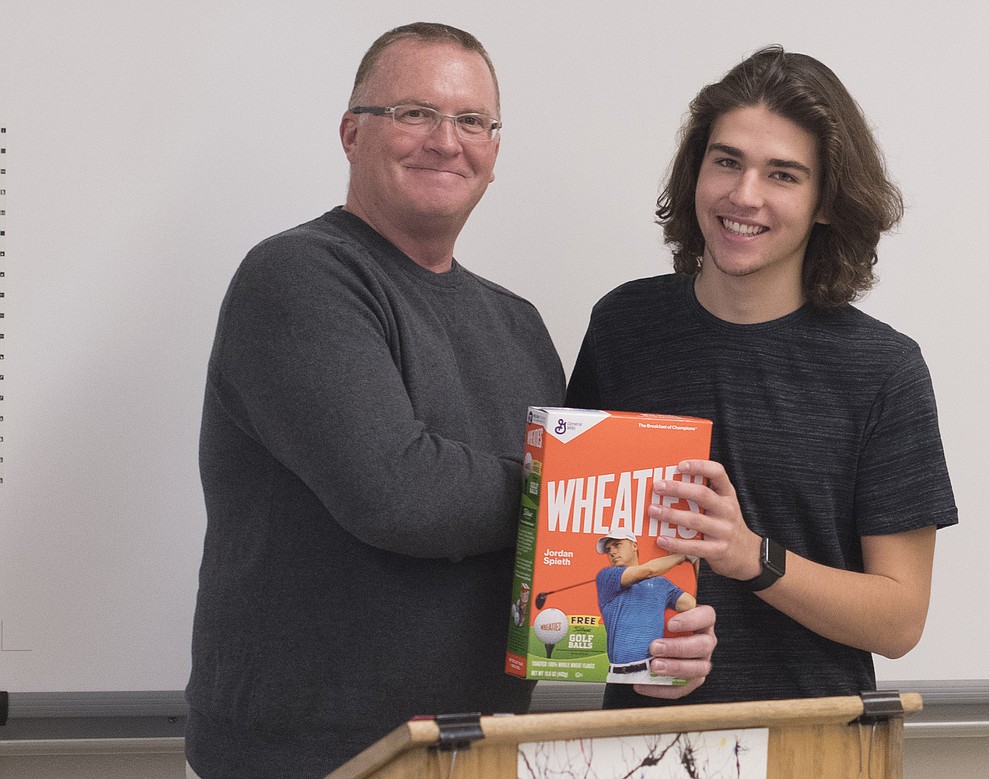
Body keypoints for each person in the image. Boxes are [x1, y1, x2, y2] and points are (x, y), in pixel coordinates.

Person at [185, 23, 715, 778]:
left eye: (472, 121)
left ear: (494, 154)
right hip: (306, 760)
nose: (446, 140)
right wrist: (581, 490)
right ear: (351, 133)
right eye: (413, 113)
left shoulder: (518, 322)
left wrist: (656, 640)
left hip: (475, 752)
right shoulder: (299, 277)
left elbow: (554, 557)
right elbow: (397, 491)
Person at [565, 46, 958, 710]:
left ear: (827, 201)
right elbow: (581, 558)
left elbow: (899, 618)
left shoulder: (884, 371)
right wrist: (646, 658)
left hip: (811, 746)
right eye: (727, 161)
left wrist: (753, 556)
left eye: (782, 174)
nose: (744, 195)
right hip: (641, 743)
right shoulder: (623, 326)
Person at [595, 529, 697, 684]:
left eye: (617, 545)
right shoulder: (607, 576)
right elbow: (648, 571)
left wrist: (697, 562)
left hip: (656, 673)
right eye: (608, 550)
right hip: (619, 675)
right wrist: (683, 555)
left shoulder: (662, 584)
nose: (612, 552)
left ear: (634, 546)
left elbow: (691, 605)